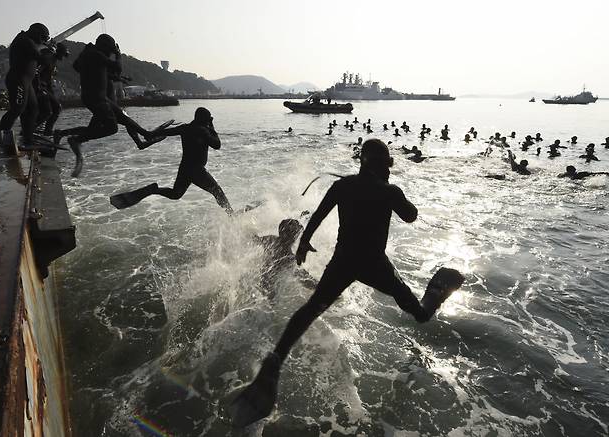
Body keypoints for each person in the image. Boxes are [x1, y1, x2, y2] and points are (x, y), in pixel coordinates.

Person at [230, 139, 465, 427]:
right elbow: (411, 215)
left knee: (310, 309)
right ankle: (437, 291)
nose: (389, 171)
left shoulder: (343, 186)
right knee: (418, 313)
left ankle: (273, 364)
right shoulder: (389, 190)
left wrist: (304, 242)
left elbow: (317, 215)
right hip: (375, 265)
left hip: (343, 262)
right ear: (381, 165)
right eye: (387, 166)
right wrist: (393, 192)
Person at [53, 34, 162, 176]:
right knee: (111, 128)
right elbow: (117, 67)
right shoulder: (96, 54)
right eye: (110, 51)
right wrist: (118, 54)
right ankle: (75, 139)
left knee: (121, 116)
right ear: (105, 47)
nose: (110, 54)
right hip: (96, 98)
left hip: (98, 97)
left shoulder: (89, 55)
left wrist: (118, 77)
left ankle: (146, 134)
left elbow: (89, 69)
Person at [110, 107, 233, 213]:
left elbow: (163, 132)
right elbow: (217, 145)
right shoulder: (203, 130)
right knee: (217, 192)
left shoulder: (184, 128)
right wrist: (211, 126)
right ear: (205, 120)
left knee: (176, 194)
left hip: (185, 168)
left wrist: (147, 133)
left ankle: (154, 190)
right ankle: (232, 215)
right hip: (197, 170)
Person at [0, 23, 50, 149]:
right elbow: (40, 58)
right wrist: (50, 51)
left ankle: (28, 139)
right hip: (18, 80)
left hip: (25, 81)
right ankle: (0, 138)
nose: (43, 41)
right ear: (37, 33)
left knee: (32, 109)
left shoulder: (26, 39)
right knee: (17, 109)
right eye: (43, 38)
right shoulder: (24, 41)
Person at [253, 218, 317, 298]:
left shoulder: (270, 240)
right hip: (269, 288)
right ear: (294, 237)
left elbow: (255, 240)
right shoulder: (289, 257)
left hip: (259, 278)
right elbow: (306, 279)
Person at [35, 42, 70, 137]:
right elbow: (36, 72)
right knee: (47, 112)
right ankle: (30, 130)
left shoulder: (53, 60)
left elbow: (48, 78)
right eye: (63, 54)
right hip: (40, 88)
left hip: (46, 88)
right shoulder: (48, 58)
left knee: (56, 109)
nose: (63, 58)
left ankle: (47, 131)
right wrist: (39, 87)